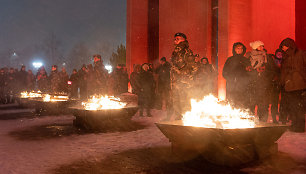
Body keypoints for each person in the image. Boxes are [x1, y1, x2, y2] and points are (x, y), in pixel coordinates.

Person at [279, 38, 306, 132]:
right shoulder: (286, 56)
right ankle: (296, 125)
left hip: (298, 84)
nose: (283, 48)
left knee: (298, 107)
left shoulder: (300, 54)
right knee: (293, 107)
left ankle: (299, 127)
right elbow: (284, 71)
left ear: (289, 45)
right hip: (290, 85)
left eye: (284, 45)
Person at [170, 32, 198, 120]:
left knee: (184, 101)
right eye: (175, 38)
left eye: (178, 38)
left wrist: (187, 78)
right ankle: (178, 120)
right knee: (176, 102)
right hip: (175, 82)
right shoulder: (175, 52)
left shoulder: (186, 52)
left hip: (184, 83)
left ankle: (186, 120)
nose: (175, 40)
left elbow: (194, 67)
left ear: (184, 40)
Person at [222, 42, 251, 109]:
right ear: (234, 49)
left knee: (241, 101)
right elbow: (224, 72)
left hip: (242, 85)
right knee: (231, 100)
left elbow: (249, 72)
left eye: (241, 48)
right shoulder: (230, 60)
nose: (240, 50)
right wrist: (230, 79)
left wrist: (247, 71)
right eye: (238, 48)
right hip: (231, 85)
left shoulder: (245, 60)